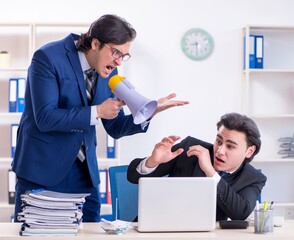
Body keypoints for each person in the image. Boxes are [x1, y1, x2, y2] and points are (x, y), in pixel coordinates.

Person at [11, 14, 189, 222]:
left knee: (91, 233)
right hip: (43, 169)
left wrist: (151, 112)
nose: (118, 61)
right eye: (115, 52)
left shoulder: (110, 72)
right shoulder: (48, 57)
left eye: (124, 55)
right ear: (95, 43)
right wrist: (96, 112)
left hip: (85, 173)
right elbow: (45, 117)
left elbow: (115, 126)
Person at [127, 112, 267, 221]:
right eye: (218, 141)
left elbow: (240, 213)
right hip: (158, 228)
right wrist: (153, 161)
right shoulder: (190, 148)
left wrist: (210, 172)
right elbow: (132, 176)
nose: (219, 151)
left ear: (249, 151)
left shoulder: (253, 178)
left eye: (230, 146)